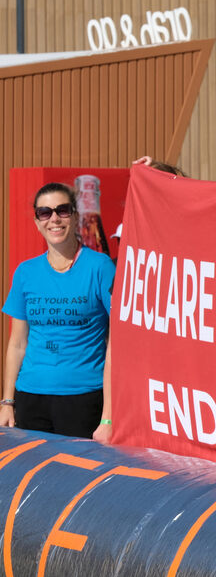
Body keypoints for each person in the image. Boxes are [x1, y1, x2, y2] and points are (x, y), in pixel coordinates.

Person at [1, 183, 116, 440]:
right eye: (45, 212)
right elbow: (17, 343)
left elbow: (117, 344)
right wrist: (7, 402)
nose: (54, 218)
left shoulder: (100, 267)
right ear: (37, 222)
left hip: (84, 399)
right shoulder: (25, 272)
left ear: (75, 216)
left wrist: (108, 416)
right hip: (30, 399)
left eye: (62, 210)